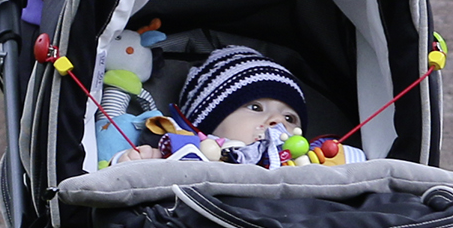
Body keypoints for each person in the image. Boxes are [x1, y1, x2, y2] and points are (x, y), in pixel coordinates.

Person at [112, 45, 370, 168]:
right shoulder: (187, 153)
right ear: (207, 124)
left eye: (290, 118)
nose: (278, 122)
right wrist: (139, 161)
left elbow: (362, 173)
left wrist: (335, 158)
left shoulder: (309, 160)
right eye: (256, 108)